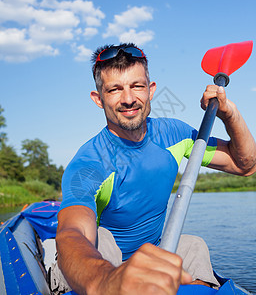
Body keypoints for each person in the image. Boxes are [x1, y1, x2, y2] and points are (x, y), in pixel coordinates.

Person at [54, 43, 256, 295]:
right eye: (114, 89)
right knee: (101, 238)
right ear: (98, 99)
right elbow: (71, 233)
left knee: (194, 245)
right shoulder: (89, 164)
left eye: (136, 86)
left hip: (156, 249)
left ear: (151, 90)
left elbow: (244, 164)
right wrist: (105, 280)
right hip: (104, 264)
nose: (128, 99)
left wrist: (229, 115)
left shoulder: (174, 133)